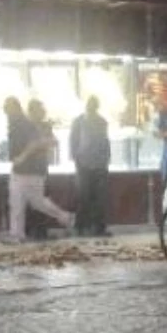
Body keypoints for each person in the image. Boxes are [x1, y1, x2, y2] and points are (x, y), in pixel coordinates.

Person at [5, 97, 74, 243]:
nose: (5, 111)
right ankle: (64, 217)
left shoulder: (23, 124)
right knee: (35, 202)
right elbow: (44, 142)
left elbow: (37, 143)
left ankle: (17, 234)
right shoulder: (24, 124)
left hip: (25, 170)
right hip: (34, 171)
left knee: (18, 202)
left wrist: (22, 157)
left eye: (7, 108)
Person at [70, 96, 112, 237]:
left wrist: (106, 160)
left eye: (94, 105)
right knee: (83, 197)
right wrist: (77, 160)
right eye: (90, 105)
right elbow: (72, 142)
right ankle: (80, 227)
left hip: (100, 166)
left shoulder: (102, 122)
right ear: (86, 106)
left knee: (100, 199)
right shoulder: (78, 122)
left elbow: (106, 142)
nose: (92, 107)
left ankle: (99, 228)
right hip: (83, 165)